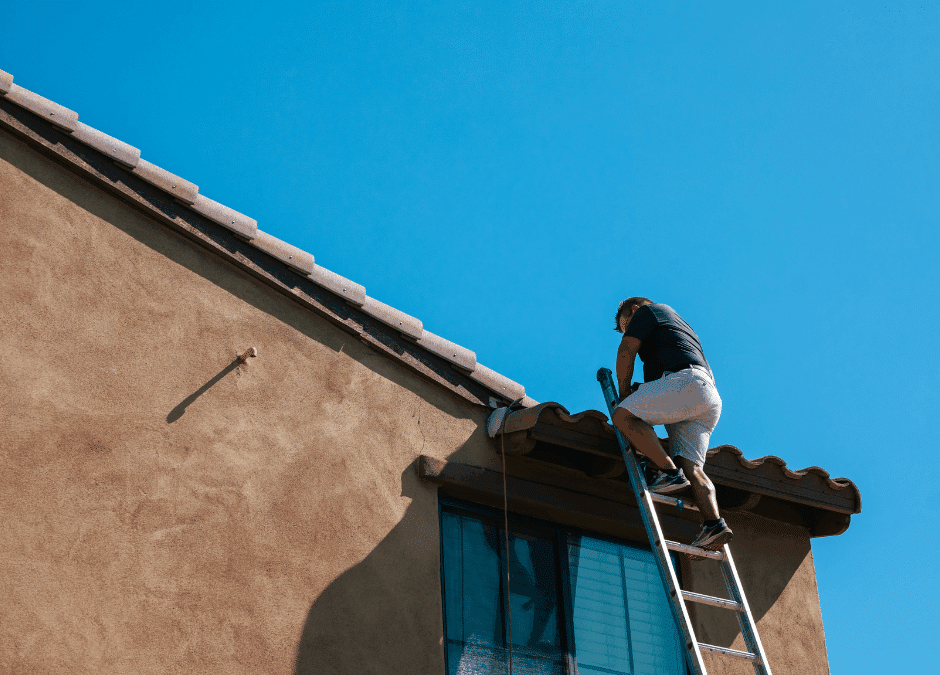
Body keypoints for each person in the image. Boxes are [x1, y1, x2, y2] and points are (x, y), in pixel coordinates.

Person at [610, 297, 732, 551]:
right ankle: (714, 525)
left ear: (633, 310)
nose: (628, 329)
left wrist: (623, 394)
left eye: (625, 324)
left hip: (686, 383)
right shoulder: (679, 327)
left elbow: (626, 351)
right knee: (692, 467)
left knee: (623, 415)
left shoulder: (649, 312)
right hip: (706, 396)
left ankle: (667, 472)